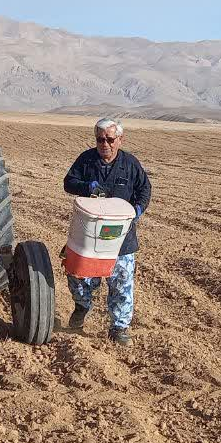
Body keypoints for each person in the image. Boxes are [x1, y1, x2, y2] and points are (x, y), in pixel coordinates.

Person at [62, 118, 152, 346]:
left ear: (119, 140)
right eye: (100, 139)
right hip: (89, 235)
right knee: (80, 279)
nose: (105, 144)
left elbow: (144, 189)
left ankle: (119, 328)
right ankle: (82, 306)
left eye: (110, 139)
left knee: (121, 284)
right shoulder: (86, 160)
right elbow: (69, 182)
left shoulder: (130, 164)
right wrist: (87, 186)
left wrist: (138, 209)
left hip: (121, 238)